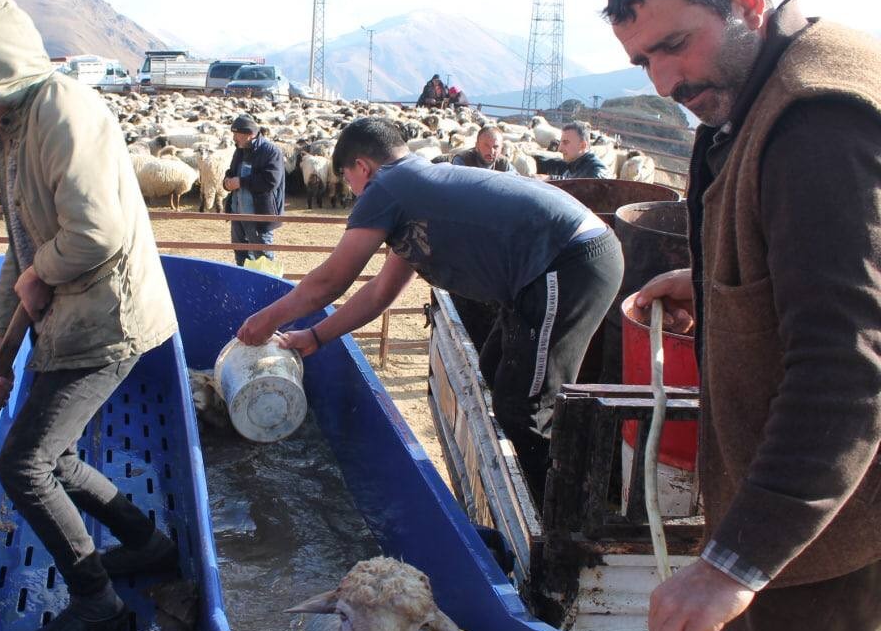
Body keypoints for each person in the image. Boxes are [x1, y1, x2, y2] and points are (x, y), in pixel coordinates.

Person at [609, 0, 881, 631]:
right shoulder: (759, 90)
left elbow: (848, 367)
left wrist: (733, 564)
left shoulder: (817, 121)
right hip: (801, 513)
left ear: (748, 6)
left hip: (835, 521)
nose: (664, 80)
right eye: (642, 62)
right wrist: (722, 283)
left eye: (674, 45)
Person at [0, 0, 181, 631]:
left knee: (24, 464)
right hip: (74, 313)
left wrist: (40, 274)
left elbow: (95, 233)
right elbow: (23, 244)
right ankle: (148, 545)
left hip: (107, 316)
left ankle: (98, 601)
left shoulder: (65, 114)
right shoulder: (14, 130)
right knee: (54, 454)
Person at [236, 117, 622, 496]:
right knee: (495, 369)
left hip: (568, 260)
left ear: (361, 167)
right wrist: (317, 336)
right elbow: (381, 292)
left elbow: (330, 281)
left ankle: (561, 518)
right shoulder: (414, 192)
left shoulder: (388, 185)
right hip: (546, 265)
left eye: (349, 182)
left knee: (525, 407)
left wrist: (265, 320)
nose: (354, 193)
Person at [223, 114, 286, 266]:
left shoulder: (271, 152)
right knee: (241, 256)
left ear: (249, 134)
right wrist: (227, 182)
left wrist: (241, 182)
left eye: (236, 134)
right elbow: (232, 172)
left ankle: (269, 289)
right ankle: (245, 288)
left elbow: (270, 181)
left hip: (258, 216)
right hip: (238, 214)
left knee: (263, 258)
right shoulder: (240, 150)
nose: (234, 138)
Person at [537, 121, 613, 180]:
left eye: (566, 143)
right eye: (560, 143)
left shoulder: (597, 172)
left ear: (583, 145)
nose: (559, 149)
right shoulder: (572, 166)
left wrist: (552, 179)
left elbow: (586, 188)